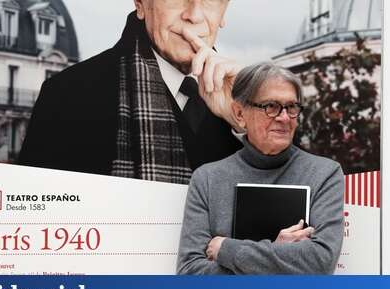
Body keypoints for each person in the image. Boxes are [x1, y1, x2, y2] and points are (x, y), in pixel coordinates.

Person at [18, 0, 243, 184]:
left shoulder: (246, 102)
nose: (194, 15)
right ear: (141, 5)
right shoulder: (67, 94)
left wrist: (246, 121)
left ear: (224, 13)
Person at [177, 62, 344, 274]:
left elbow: (321, 261)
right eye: (271, 106)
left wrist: (227, 249)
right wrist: (279, 255)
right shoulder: (208, 179)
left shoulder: (324, 174)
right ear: (239, 114)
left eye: (291, 107)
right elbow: (190, 272)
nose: (284, 118)